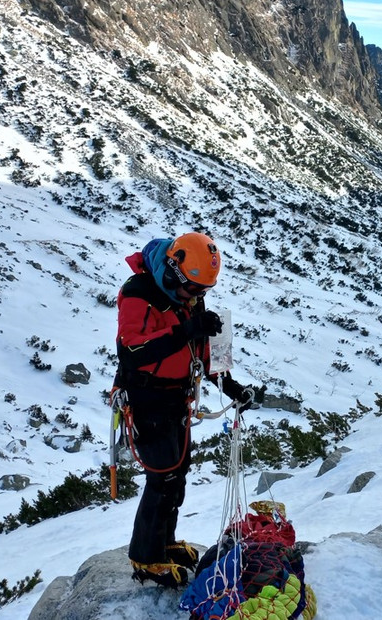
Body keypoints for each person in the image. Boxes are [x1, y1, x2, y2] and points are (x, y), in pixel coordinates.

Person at [115, 231, 258, 589]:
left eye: (202, 292)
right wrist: (188, 328)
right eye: (193, 291)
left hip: (175, 398)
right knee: (161, 477)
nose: (197, 298)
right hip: (147, 399)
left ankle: (164, 543)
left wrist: (231, 387)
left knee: (177, 474)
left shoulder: (187, 296)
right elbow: (132, 352)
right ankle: (146, 558)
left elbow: (202, 352)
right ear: (175, 272)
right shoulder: (139, 294)